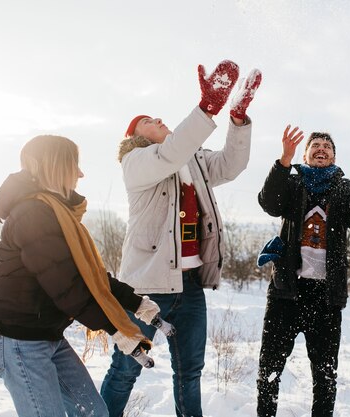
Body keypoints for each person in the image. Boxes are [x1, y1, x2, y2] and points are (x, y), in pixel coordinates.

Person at [100, 59, 261, 417]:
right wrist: (207, 108)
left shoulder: (191, 160)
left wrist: (237, 118)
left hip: (189, 286)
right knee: (125, 369)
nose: (157, 119)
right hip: (145, 287)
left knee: (189, 373)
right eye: (146, 121)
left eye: (156, 116)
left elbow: (231, 166)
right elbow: (170, 153)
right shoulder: (138, 162)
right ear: (136, 137)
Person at [0, 135, 162, 417]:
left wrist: (135, 302)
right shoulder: (33, 214)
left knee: (94, 413)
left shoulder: (54, 213)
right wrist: (115, 329)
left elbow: (88, 275)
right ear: (54, 166)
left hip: (46, 336)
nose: (80, 173)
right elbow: (66, 286)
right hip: (18, 340)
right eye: (73, 165)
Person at [256, 126, 350, 417]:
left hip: (326, 295)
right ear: (305, 154)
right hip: (287, 289)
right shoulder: (293, 184)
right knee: (269, 369)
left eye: (327, 145)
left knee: (325, 376)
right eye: (316, 145)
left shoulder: (342, 186)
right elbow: (269, 203)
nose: (321, 148)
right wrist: (283, 161)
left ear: (334, 156)